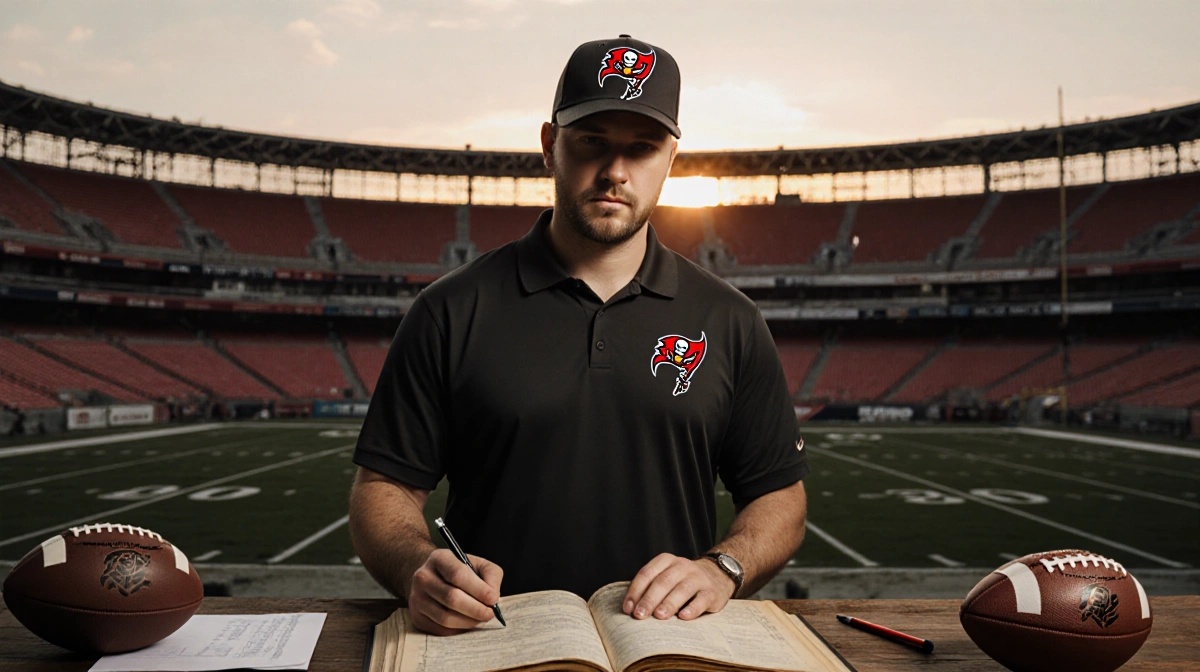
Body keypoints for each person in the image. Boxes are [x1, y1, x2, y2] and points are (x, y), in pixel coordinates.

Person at [349, 35, 808, 636]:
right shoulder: (450, 309)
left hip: (667, 645)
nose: (615, 171)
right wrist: (417, 568)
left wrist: (724, 567)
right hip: (493, 641)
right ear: (549, 145)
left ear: (671, 159)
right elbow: (383, 489)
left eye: (641, 148)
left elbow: (781, 498)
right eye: (592, 141)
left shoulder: (730, 320)